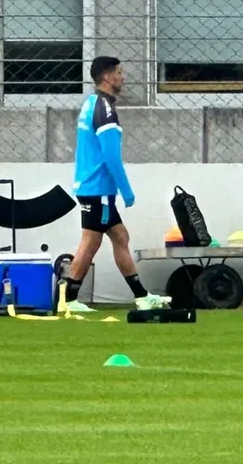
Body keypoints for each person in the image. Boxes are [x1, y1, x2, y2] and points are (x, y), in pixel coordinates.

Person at [61, 56, 171, 313]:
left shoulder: (91, 103)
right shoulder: (105, 109)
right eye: (119, 73)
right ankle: (68, 300)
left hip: (93, 187)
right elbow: (111, 156)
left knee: (120, 237)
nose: (123, 77)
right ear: (108, 77)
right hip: (98, 188)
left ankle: (142, 296)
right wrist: (126, 189)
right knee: (90, 242)